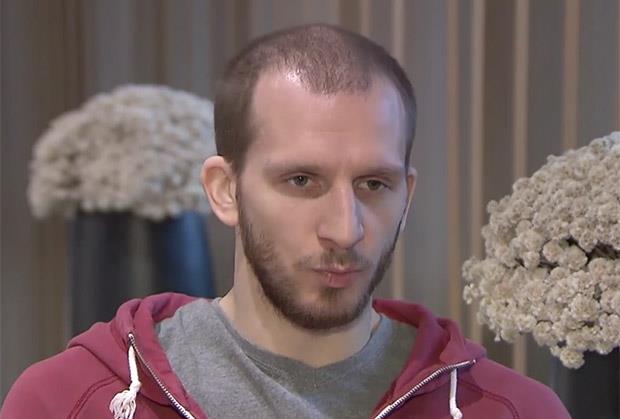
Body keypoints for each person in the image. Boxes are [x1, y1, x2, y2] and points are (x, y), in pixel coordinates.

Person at [1, 24, 568, 419]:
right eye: (301, 181)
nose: (345, 229)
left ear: (407, 194)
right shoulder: (67, 401)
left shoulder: (514, 411)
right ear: (225, 190)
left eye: (374, 184)